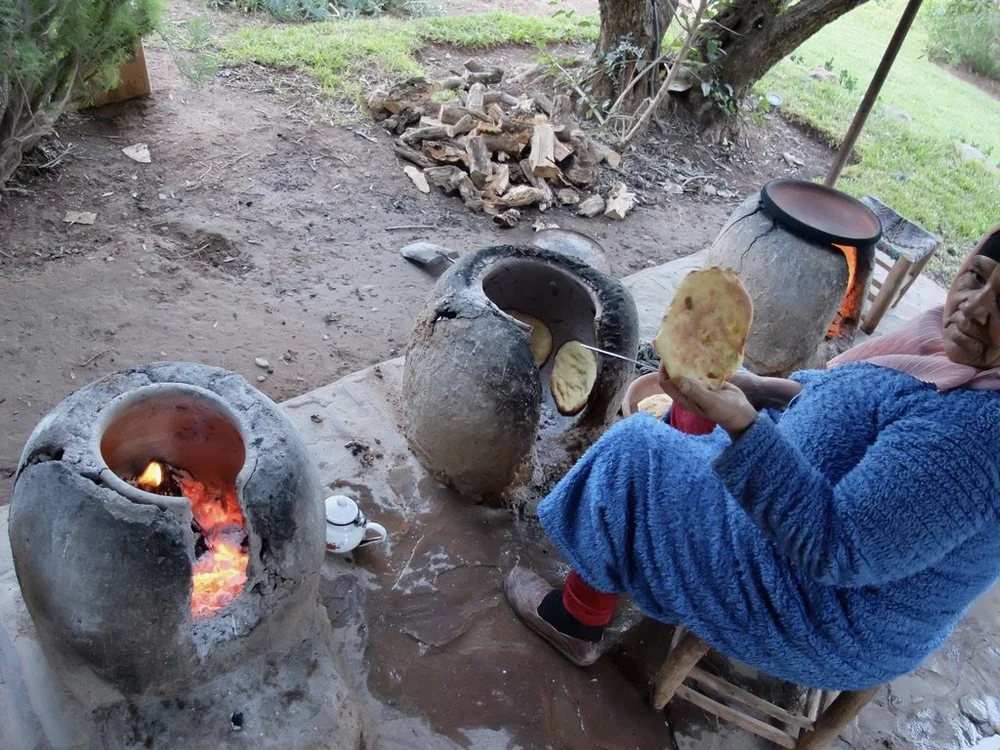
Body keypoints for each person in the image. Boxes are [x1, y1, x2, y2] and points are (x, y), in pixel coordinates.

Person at [505, 224, 1000, 691]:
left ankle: (574, 622)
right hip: (817, 529)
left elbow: (837, 549)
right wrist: (762, 389)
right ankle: (634, 559)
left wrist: (744, 423)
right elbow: (858, 396)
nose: (976, 309)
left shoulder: (978, 439)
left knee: (635, 452)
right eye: (976, 277)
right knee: (691, 414)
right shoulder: (951, 352)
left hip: (824, 609)